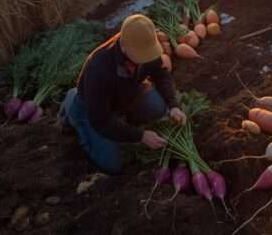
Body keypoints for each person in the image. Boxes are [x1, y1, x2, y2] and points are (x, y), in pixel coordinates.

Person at [61, 14, 186, 174]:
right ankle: (72, 104)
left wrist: (173, 105)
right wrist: (140, 136)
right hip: (94, 109)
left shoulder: (144, 43)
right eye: (142, 54)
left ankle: (120, 118)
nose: (146, 58)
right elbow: (101, 120)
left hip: (126, 92)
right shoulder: (99, 68)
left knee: (158, 108)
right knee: (111, 164)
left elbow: (161, 74)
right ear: (124, 46)